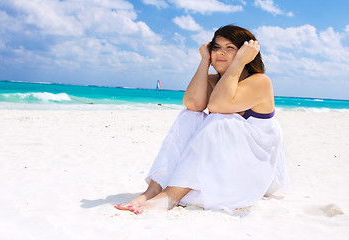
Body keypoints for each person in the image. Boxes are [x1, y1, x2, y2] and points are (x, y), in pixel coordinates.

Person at [115, 25, 290, 215]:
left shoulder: (260, 81)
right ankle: (153, 191)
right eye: (216, 47)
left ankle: (171, 195)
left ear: (245, 54)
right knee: (189, 116)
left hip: (254, 169)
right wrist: (204, 61)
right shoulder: (216, 80)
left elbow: (218, 106)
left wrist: (239, 61)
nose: (220, 53)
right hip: (223, 164)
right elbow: (192, 103)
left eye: (230, 48)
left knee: (221, 121)